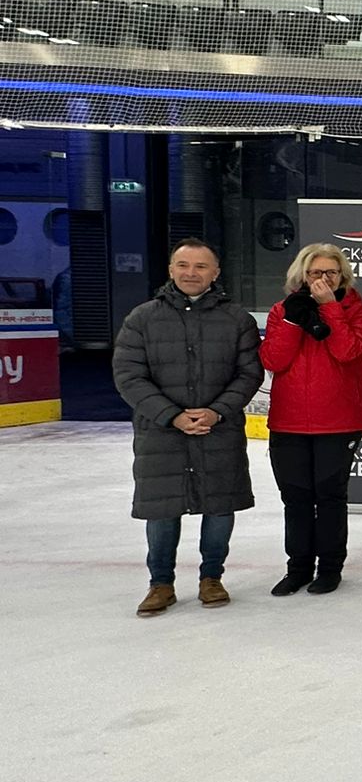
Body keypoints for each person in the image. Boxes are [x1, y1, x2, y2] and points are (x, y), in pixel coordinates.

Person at [112, 239, 261, 617]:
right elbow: (129, 375)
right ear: (170, 269)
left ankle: (212, 577)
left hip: (219, 430)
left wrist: (216, 412)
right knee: (162, 509)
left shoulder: (236, 319)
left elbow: (248, 374)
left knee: (219, 505)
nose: (190, 273)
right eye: (183, 265)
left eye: (200, 266)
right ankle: (160, 583)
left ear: (215, 272)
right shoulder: (142, 318)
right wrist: (171, 415)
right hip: (161, 433)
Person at [259, 243, 362, 595]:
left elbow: (348, 351)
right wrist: (295, 320)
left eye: (331, 273)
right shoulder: (283, 310)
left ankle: (329, 567)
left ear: (343, 276)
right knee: (294, 498)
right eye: (315, 273)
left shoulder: (359, 311)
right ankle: (297, 568)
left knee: (329, 497)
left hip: (338, 422)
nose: (323, 279)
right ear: (302, 275)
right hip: (288, 421)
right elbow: (273, 360)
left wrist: (330, 310)